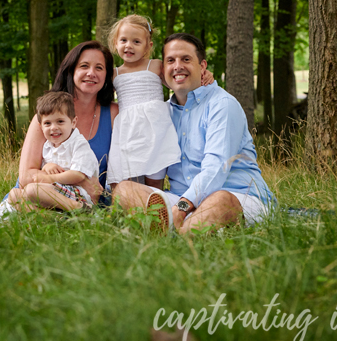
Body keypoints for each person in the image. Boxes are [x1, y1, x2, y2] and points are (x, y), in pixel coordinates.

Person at [0, 41, 118, 230]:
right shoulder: (47, 116)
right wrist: (79, 178)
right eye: (84, 66)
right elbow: (26, 177)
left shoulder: (114, 113)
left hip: (81, 198)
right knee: (16, 199)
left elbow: (120, 172)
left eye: (99, 68)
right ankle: (44, 216)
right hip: (44, 195)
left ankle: (56, 217)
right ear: (71, 70)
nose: (91, 73)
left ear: (107, 75)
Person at [113, 33, 275, 235]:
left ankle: (177, 236)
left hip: (237, 195)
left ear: (203, 66)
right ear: (163, 70)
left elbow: (216, 169)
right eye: (171, 60)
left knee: (220, 200)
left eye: (186, 59)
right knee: (124, 190)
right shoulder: (162, 113)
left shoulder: (222, 105)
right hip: (179, 198)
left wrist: (182, 207)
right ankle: (175, 229)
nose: (178, 66)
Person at [105, 14, 181, 189]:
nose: (128, 46)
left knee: (155, 176)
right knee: (127, 175)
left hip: (155, 129)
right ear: (115, 43)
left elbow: (177, 83)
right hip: (128, 131)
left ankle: (157, 207)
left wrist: (202, 76)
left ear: (148, 46)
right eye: (123, 40)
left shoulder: (155, 65)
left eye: (136, 42)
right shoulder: (114, 73)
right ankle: (133, 210)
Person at [8, 91, 99, 211]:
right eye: (47, 123)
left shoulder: (79, 144)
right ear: (41, 127)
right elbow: (49, 169)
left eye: (60, 121)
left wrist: (49, 179)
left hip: (78, 194)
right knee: (14, 195)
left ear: (73, 123)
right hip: (55, 191)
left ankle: (79, 208)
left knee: (31, 189)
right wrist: (47, 167)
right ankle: (54, 220)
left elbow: (78, 175)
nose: (54, 127)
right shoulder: (48, 146)